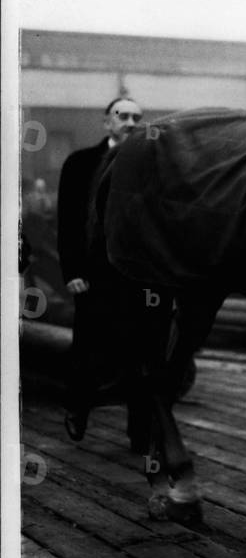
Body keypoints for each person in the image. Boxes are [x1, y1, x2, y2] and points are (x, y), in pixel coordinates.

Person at [58, 97, 150, 451]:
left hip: (136, 277)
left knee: (142, 354)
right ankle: (78, 407)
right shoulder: (80, 163)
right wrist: (72, 272)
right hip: (93, 276)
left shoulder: (149, 166)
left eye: (136, 118)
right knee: (88, 350)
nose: (130, 122)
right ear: (106, 123)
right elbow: (67, 221)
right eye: (122, 116)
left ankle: (140, 433)